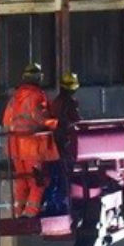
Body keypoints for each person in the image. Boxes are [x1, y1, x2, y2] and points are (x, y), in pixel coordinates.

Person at [1, 62, 58, 216]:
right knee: (38, 181)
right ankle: (31, 213)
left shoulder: (15, 97)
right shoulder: (36, 95)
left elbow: (6, 121)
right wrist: (56, 123)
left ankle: (19, 212)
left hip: (15, 147)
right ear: (38, 77)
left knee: (22, 181)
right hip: (31, 147)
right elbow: (40, 118)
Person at [42, 71, 84, 217]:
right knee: (64, 177)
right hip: (64, 146)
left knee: (55, 176)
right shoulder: (69, 103)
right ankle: (62, 206)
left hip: (53, 145)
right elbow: (76, 121)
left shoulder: (56, 102)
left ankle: (54, 206)